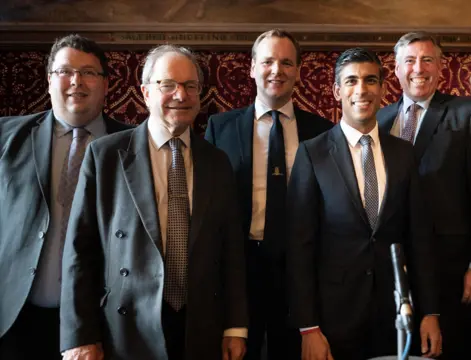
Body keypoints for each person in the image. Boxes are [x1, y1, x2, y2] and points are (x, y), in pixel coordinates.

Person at [59, 44, 248, 360]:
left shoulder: (216, 161)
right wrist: (79, 337)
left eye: (190, 86)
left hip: (201, 326)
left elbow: (231, 249)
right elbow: (80, 250)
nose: (180, 95)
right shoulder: (106, 155)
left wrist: (236, 327)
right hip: (126, 327)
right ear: (146, 92)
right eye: (168, 85)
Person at [287, 47, 441, 360]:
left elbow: (419, 239)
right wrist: (308, 328)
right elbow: (299, 247)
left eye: (371, 80)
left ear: (383, 89)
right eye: (352, 81)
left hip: (394, 319)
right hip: (333, 321)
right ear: (336, 91)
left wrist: (430, 313)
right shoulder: (312, 154)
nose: (362, 89)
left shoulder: (404, 154)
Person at [0, 34, 131, 360]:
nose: (77, 81)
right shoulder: (5, 137)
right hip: (15, 318)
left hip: (103, 323)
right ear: (48, 80)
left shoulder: (134, 146)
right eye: (65, 71)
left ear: (105, 84)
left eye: (89, 72)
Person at [205, 28, 333, 360]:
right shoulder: (220, 128)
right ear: (251, 67)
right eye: (268, 62)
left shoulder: (322, 131)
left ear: (298, 72)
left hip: (300, 268)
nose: (277, 71)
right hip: (240, 266)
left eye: (286, 63)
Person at [377, 31, 471, 359]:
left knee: (446, 349)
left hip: (452, 265)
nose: (419, 68)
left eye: (427, 60)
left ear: (441, 67)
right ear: (397, 69)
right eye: (410, 61)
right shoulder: (379, 119)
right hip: (394, 261)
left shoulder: (468, 113)